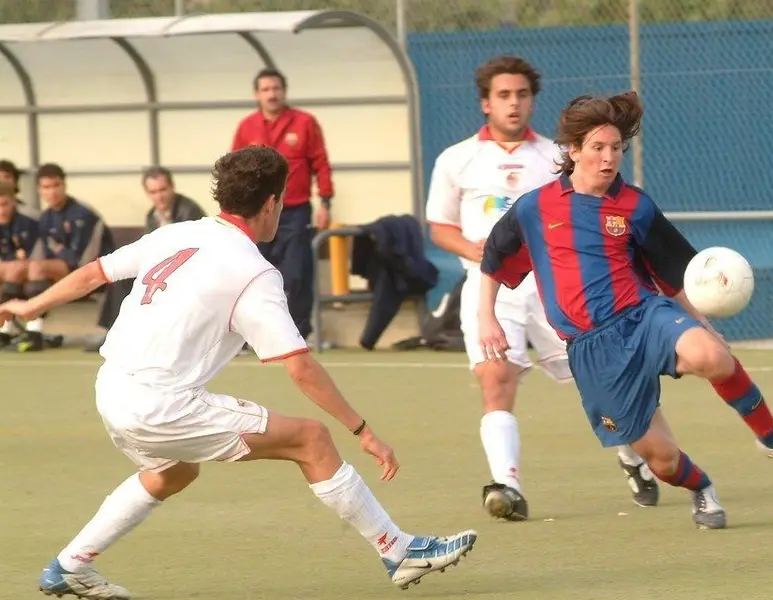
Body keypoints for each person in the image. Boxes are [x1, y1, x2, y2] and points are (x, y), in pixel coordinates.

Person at [0, 146, 477, 599]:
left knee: (173, 473)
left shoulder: (176, 233)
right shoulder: (254, 273)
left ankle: (70, 565)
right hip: (161, 403)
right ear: (273, 203)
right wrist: (364, 430)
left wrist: (28, 305)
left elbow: (91, 275)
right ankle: (399, 551)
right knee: (312, 439)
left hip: (111, 389)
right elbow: (300, 367)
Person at [477, 92, 773, 530]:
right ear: (573, 151)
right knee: (662, 462)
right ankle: (702, 489)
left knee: (713, 357)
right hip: (591, 349)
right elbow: (492, 259)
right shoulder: (535, 207)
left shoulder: (635, 206)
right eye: (598, 148)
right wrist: (486, 318)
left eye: (617, 148)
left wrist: (704, 325)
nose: (609, 159)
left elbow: (677, 274)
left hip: (643, 316)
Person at [425, 55, 658, 520]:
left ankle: (632, 456)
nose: (513, 104)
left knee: (606, 383)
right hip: (490, 289)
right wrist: (483, 252)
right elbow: (439, 228)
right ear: (485, 103)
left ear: (532, 101)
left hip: (561, 287)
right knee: (496, 380)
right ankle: (506, 487)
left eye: (522, 95)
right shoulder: (457, 158)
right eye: (503, 96)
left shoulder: (556, 155)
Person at [232, 68, 333, 341]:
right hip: (255, 212)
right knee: (253, 274)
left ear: (284, 91)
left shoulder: (304, 122)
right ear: (257, 94)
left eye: (276, 88)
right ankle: (253, 335)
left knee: (297, 273)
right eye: (265, 89)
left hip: (295, 211)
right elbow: (235, 170)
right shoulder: (247, 126)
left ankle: (298, 334)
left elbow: (321, 162)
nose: (271, 94)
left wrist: (325, 201)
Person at [88, 166, 208, 352]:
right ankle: (112, 332)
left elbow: (193, 249)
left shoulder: (189, 211)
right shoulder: (152, 215)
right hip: (164, 267)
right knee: (121, 279)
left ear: (172, 187)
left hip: (188, 269)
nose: (159, 196)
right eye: (153, 192)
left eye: (162, 190)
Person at [17, 162, 114, 352]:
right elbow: (42, 255)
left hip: (99, 271)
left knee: (37, 269)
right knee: (25, 271)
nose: (52, 192)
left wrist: (57, 249)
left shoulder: (84, 214)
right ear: (39, 190)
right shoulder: (45, 218)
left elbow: (83, 261)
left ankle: (34, 332)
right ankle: (18, 330)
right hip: (66, 270)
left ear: (64, 186)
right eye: (46, 187)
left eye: (56, 186)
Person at [0, 180, 38, 348]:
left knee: (32, 280)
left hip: (30, 272)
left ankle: (34, 330)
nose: (1, 210)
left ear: (14, 201)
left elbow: (34, 256)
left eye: (4, 204)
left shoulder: (28, 223)